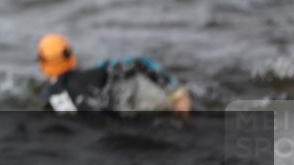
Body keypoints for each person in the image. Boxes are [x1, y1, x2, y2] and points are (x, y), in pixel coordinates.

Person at [37, 34, 192, 115]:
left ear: (42, 64)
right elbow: (139, 64)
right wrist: (178, 94)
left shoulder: (47, 98)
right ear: (71, 56)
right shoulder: (98, 74)